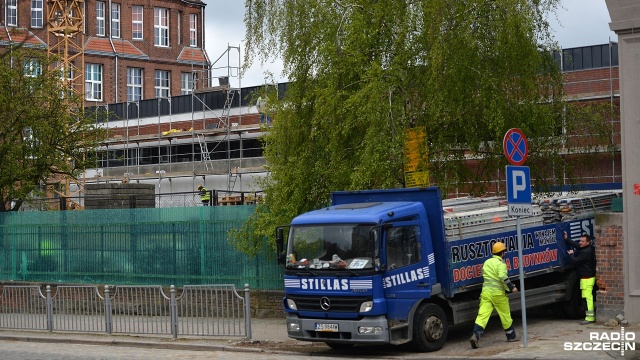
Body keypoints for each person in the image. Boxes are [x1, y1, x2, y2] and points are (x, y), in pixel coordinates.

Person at [470, 242, 519, 349]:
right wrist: (512, 287)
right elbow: (502, 276)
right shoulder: (501, 264)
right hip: (498, 294)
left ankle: (476, 335)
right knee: (505, 315)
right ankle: (511, 336)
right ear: (502, 253)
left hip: (486, 293)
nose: (505, 253)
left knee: (482, 315)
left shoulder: (487, 262)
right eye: (504, 251)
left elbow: (485, 274)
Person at [563, 231, 596, 324]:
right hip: (587, 277)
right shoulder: (588, 248)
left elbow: (576, 261)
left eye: (582, 241)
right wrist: (567, 239)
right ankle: (589, 316)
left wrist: (571, 254)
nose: (580, 242)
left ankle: (590, 318)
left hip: (587, 278)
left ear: (588, 242)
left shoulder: (585, 252)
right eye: (580, 241)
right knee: (586, 297)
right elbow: (577, 246)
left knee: (587, 298)